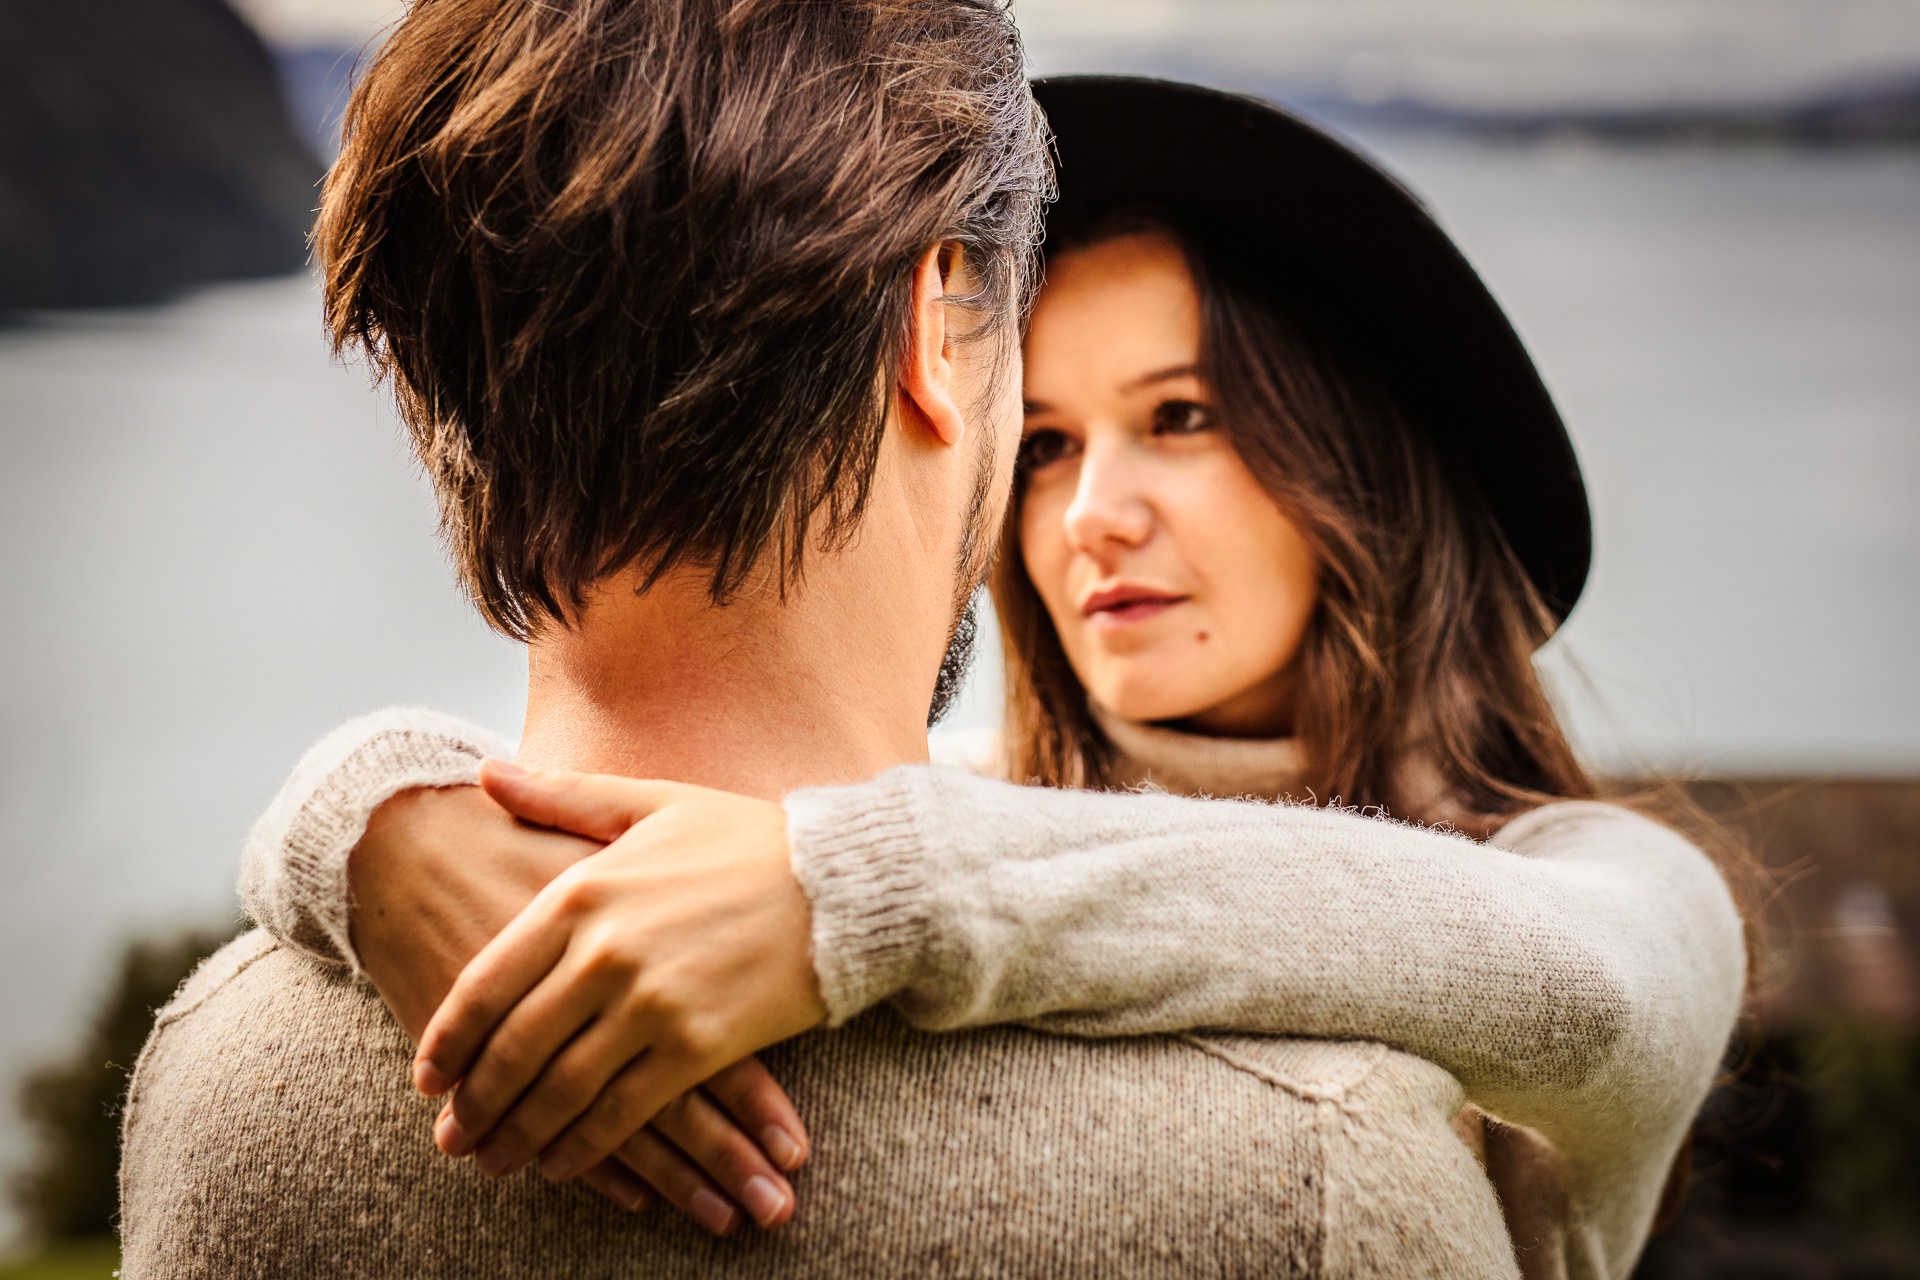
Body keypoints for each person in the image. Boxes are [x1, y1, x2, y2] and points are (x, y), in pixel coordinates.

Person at [147, 69, 1749, 1280]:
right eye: (1039, 444)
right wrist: (379, 813)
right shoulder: (974, 807)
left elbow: (1579, 990)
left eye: (1182, 418)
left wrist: (857, 894)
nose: (1091, 512)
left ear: (1364, 468)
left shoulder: (1601, 876)